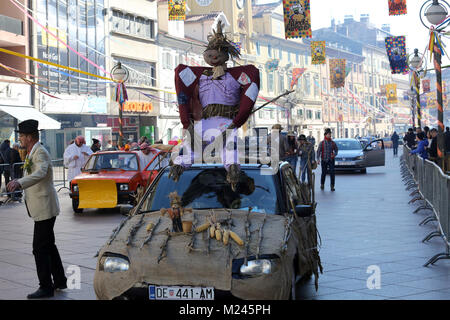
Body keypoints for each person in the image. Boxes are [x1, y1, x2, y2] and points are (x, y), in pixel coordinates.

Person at [7, 120, 67, 299]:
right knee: (48, 245)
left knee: (39, 248)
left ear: (29, 137)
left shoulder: (40, 152)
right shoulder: (33, 151)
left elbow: (40, 173)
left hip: (45, 207)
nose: (20, 139)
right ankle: (60, 280)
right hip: (43, 206)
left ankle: (45, 287)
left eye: (21, 136)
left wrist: (20, 182)